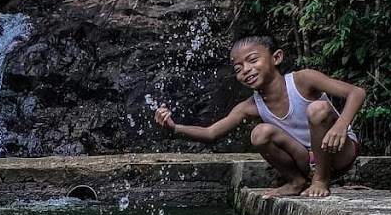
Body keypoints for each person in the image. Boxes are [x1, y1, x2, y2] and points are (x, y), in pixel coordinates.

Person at [154, 34, 366, 198]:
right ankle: (296, 181)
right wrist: (174, 128)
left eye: (252, 60)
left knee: (318, 110)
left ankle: (320, 180)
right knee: (259, 133)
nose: (246, 70)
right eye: (238, 68)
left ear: (276, 58)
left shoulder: (303, 80)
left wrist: (341, 125)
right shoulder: (250, 106)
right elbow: (211, 133)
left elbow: (356, 92)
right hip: (304, 157)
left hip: (338, 150)